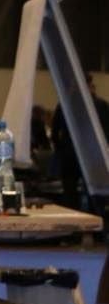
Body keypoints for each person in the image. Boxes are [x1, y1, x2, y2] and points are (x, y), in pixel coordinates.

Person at [51, 75, 109, 210]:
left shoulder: (64, 105)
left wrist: (61, 150)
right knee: (94, 194)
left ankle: (73, 220)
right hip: (93, 155)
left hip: (70, 155)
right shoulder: (101, 105)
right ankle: (96, 219)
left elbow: (55, 133)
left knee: (70, 193)